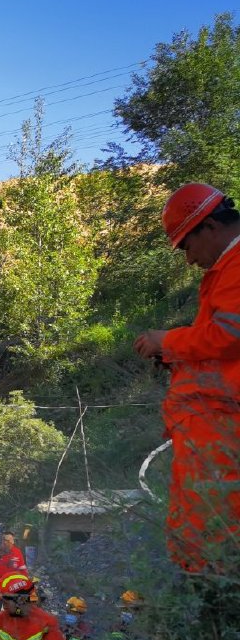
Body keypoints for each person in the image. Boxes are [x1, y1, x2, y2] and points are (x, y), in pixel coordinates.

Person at [134, 185, 240, 576]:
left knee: (215, 532)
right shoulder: (226, 271)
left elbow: (230, 335)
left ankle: (210, 599)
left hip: (223, 425)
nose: (188, 259)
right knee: (207, 523)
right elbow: (220, 349)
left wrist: (169, 340)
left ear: (209, 226)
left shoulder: (237, 265)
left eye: (185, 247)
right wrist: (174, 357)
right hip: (212, 425)